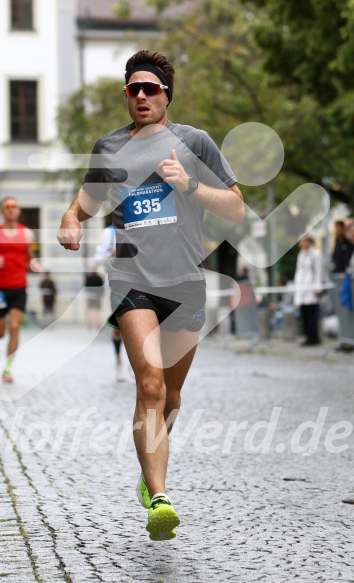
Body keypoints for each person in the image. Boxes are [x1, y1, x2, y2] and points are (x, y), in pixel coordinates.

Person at [57, 49, 244, 541]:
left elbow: (237, 207)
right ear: (126, 94)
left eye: (151, 88)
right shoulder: (109, 147)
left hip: (184, 283)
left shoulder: (193, 142)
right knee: (151, 387)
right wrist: (70, 217)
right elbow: (88, 202)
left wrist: (193, 187)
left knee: (173, 393)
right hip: (132, 280)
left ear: (166, 94)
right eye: (133, 88)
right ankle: (160, 497)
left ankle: (148, 469)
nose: (141, 95)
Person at [0, 196, 41, 382]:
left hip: (18, 287)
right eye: (7, 207)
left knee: (14, 327)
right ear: (1, 211)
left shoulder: (27, 234)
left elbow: (29, 258)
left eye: (14, 206)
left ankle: (7, 369)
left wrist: (34, 265)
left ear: (18, 211)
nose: (11, 209)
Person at [93, 224, 129, 381]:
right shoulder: (110, 233)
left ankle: (134, 366)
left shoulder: (143, 227)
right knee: (121, 327)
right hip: (119, 285)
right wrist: (112, 254)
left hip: (143, 284)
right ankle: (119, 361)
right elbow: (98, 259)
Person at [294, 235, 323, 346]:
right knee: (304, 313)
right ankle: (308, 336)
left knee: (312, 314)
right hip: (302, 288)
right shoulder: (301, 255)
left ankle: (314, 337)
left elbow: (318, 272)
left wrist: (317, 287)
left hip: (311, 288)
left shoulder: (316, 254)